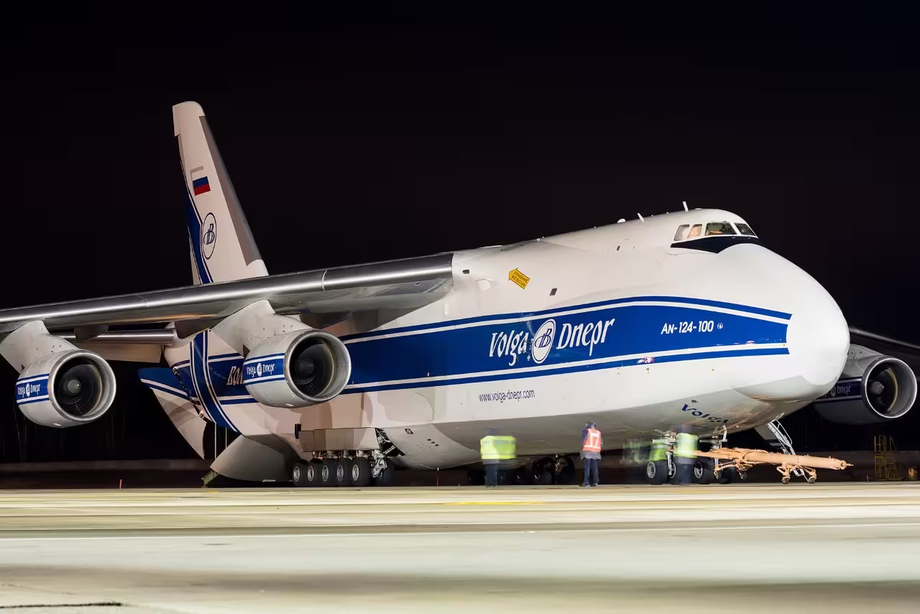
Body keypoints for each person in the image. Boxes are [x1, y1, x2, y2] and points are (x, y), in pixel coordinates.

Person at [580, 421, 602, 487]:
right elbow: (601, 443)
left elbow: (583, 441)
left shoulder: (587, 431)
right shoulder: (598, 432)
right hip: (595, 451)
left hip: (587, 451)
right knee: (594, 468)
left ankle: (586, 483)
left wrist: (582, 447)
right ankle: (595, 482)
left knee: (587, 467)